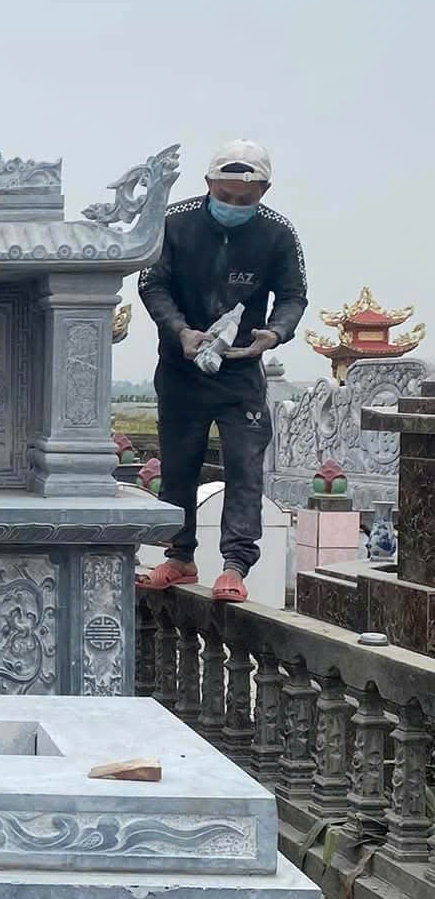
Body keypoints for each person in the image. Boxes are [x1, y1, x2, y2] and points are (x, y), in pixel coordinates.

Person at [137, 141, 307, 602]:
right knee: (179, 465)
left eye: (244, 199)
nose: (233, 204)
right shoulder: (174, 223)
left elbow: (294, 295)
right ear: (208, 184)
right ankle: (179, 556)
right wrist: (180, 330)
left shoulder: (277, 234)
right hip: (182, 366)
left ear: (263, 192)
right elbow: (151, 283)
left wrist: (275, 333)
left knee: (244, 467)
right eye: (225, 195)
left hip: (240, 369)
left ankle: (235, 565)